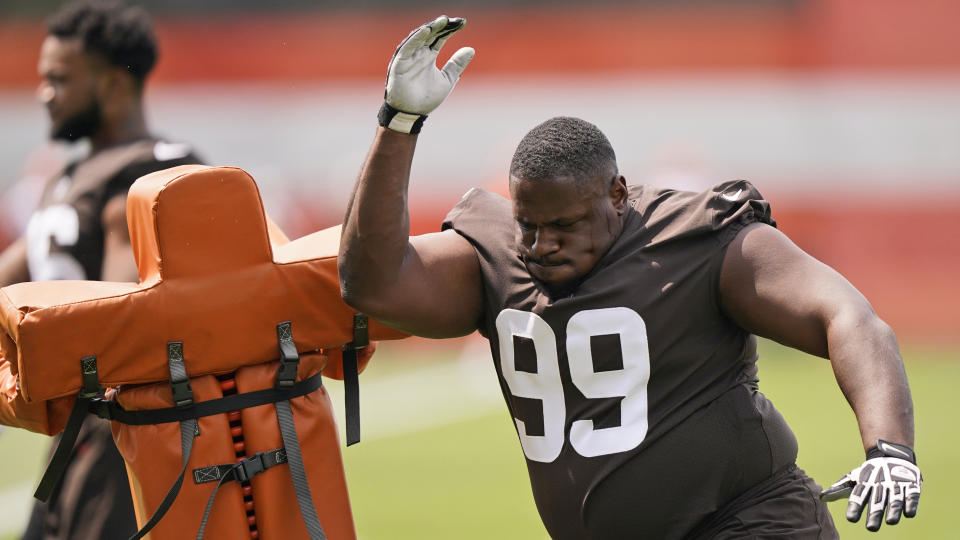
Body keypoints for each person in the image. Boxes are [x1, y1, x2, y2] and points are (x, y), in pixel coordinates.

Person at [338, 16, 922, 539]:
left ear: (618, 195)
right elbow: (373, 284)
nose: (542, 244)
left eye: (565, 224)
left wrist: (889, 448)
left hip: (747, 521)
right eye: (528, 225)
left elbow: (846, 316)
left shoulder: (697, 237)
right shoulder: (494, 251)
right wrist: (400, 122)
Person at [0, 2, 202, 538]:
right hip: (76, 434)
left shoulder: (155, 171)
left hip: (131, 437)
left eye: (59, 79)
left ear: (113, 84)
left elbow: (116, 316)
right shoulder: (69, 177)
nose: (45, 93)